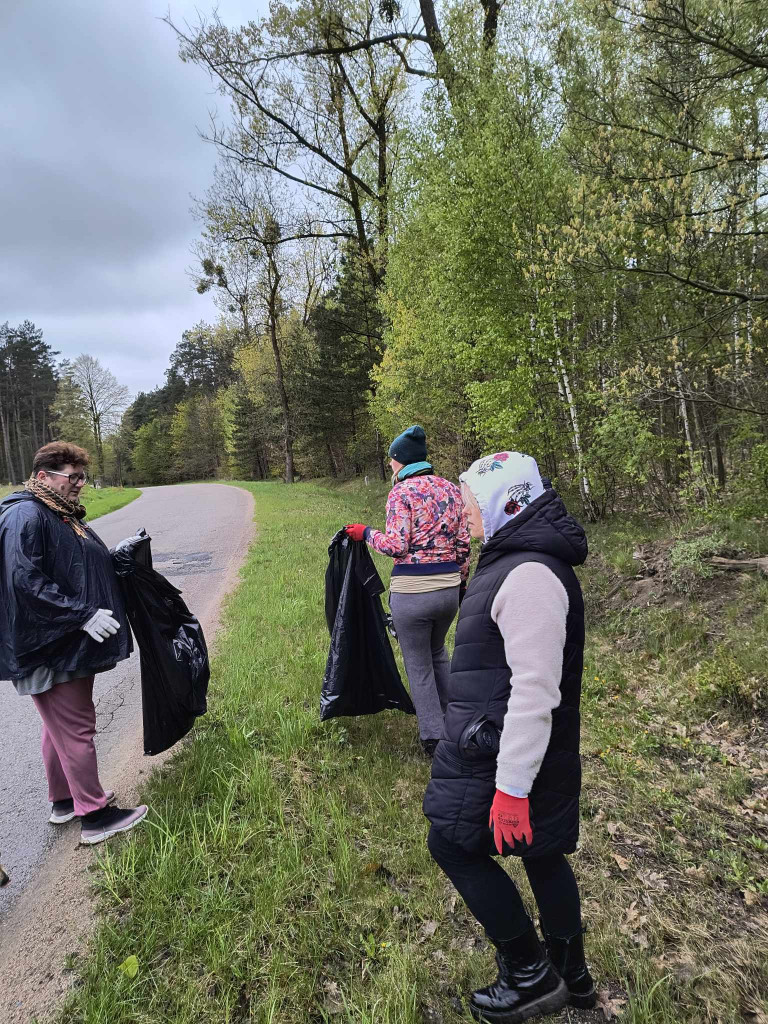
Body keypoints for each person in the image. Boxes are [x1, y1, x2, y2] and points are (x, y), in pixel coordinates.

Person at [423, 451, 595, 1023]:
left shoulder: (529, 576)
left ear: (504, 501)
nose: (461, 512)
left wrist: (512, 787)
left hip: (504, 752)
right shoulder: (514, 559)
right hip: (502, 742)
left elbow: (536, 690)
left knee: (451, 844)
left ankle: (529, 972)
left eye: (469, 500)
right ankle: (573, 977)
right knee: (542, 852)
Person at [0, 442, 148, 845]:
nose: (80, 484)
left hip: (65, 642)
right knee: (77, 727)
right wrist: (80, 614)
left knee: (59, 729)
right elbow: (24, 580)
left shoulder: (56, 511)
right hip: (47, 644)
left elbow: (73, 562)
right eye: (73, 476)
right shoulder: (26, 514)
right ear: (44, 476)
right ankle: (96, 817)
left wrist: (113, 557)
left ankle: (64, 801)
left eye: (82, 476)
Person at [345, 425, 470, 756]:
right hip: (448, 591)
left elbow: (396, 545)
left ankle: (433, 738)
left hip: (412, 593)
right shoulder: (452, 490)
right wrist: (459, 579)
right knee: (438, 652)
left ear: (401, 461)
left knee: (418, 662)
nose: (390, 466)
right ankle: (457, 720)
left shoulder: (400, 494)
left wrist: (365, 533)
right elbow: (464, 545)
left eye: (392, 461)